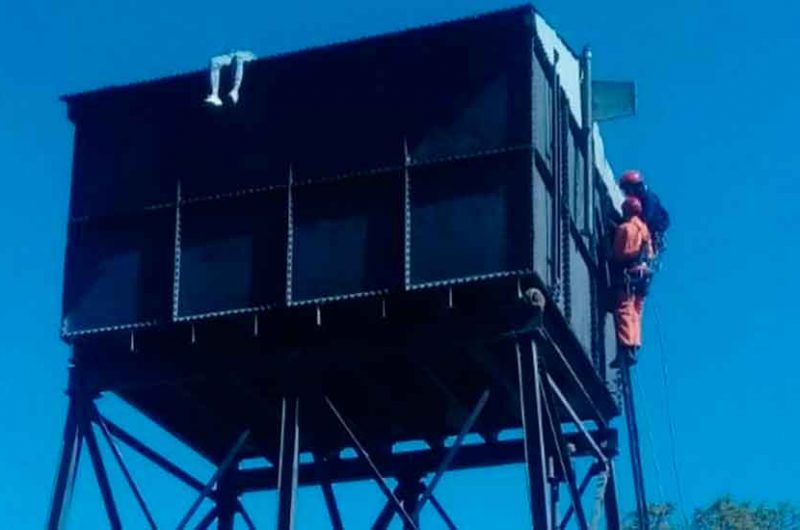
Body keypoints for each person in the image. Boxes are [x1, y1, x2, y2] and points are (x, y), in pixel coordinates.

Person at [610, 196, 653, 368]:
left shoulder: (626, 228)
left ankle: (626, 350)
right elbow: (650, 254)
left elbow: (620, 254)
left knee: (625, 310)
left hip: (629, 275)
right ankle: (634, 345)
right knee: (636, 313)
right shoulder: (644, 230)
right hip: (643, 278)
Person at [618, 170, 670, 255]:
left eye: (627, 190)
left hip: (653, 231)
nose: (627, 194)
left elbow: (644, 219)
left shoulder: (649, 200)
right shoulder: (641, 197)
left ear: (634, 188)